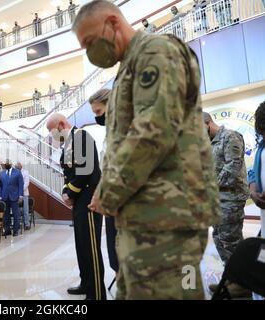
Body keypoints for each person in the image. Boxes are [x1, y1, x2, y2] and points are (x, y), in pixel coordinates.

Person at [73, 0, 220, 299]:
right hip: (145, 217)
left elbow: (153, 131)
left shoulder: (156, 52)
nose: (91, 53)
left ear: (113, 23)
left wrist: (109, 191)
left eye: (90, 42)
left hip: (169, 217)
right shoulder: (127, 70)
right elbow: (124, 142)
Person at [47, 113, 106, 300]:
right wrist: (67, 191)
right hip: (79, 200)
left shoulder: (81, 136)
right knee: (81, 245)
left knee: (90, 249)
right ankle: (86, 283)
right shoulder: (70, 142)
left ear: (61, 124)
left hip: (89, 200)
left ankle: (96, 293)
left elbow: (86, 171)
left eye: (52, 132)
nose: (53, 136)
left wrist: (70, 193)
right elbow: (68, 174)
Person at [203, 113, 251, 297]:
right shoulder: (210, 143)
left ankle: (243, 283)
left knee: (231, 242)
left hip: (231, 200)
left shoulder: (231, 137)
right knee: (219, 239)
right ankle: (231, 279)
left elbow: (232, 167)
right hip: (216, 200)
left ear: (208, 124)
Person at [89, 88, 119, 280]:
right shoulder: (111, 132)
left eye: (99, 112)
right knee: (115, 253)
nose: (98, 118)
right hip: (112, 204)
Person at [248, 101, 265, 300]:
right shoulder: (261, 147)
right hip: (263, 217)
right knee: (259, 260)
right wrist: (253, 190)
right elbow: (253, 171)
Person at [0, 159, 24, 237]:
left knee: (16, 214)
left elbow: (21, 185)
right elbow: (0, 186)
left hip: (15, 197)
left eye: (8, 163)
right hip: (4, 197)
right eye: (5, 163)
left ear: (11, 163)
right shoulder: (1, 173)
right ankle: (7, 230)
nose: (6, 164)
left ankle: (16, 230)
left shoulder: (17, 172)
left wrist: (20, 196)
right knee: (6, 215)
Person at [15, 162, 30, 230]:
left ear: (21, 166)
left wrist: (20, 190)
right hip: (16, 194)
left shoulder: (25, 172)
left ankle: (27, 224)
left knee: (25, 210)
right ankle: (17, 224)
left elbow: (26, 183)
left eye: (18, 167)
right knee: (16, 210)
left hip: (24, 194)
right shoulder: (14, 172)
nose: (17, 168)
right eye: (16, 167)